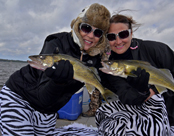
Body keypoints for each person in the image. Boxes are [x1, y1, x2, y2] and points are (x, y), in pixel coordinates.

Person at [0, 3, 110, 135]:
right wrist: (57, 82)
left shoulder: (95, 59)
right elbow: (43, 97)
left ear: (101, 37)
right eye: (86, 28)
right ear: (78, 25)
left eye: (97, 32)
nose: (91, 35)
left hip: (48, 110)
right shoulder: (56, 42)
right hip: (20, 96)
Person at [96, 13, 174, 135]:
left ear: (131, 33)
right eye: (111, 37)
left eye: (123, 34)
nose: (118, 41)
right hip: (140, 114)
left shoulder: (156, 49)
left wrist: (153, 90)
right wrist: (140, 91)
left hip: (173, 117)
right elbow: (126, 96)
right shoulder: (111, 69)